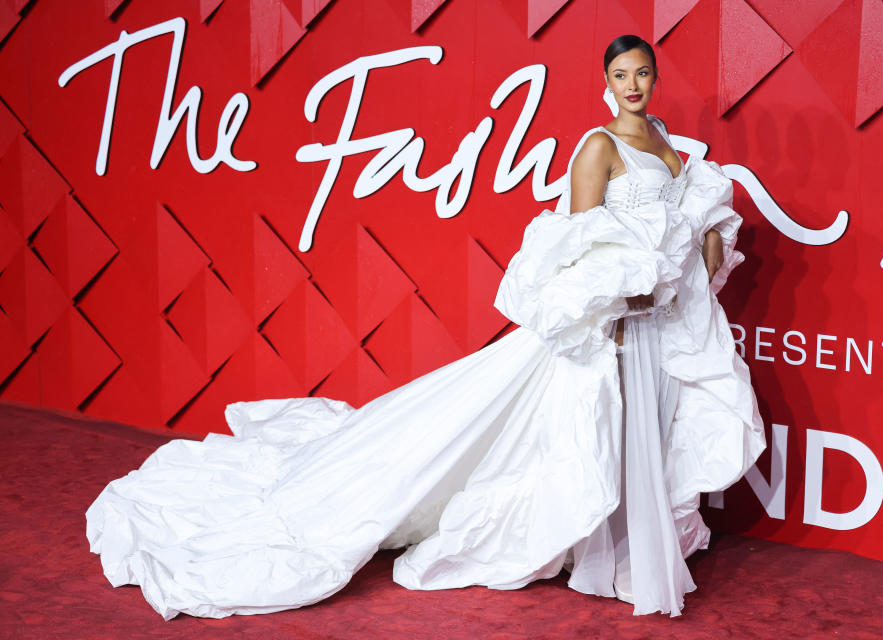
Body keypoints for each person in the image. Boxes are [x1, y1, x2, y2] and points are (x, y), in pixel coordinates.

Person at [85, 35, 765, 620]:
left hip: (659, 328)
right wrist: (611, 304)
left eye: (643, 73)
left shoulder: (668, 141)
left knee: (633, 431)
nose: (634, 86)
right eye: (622, 76)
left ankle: (620, 549)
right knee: (562, 431)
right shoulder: (598, 147)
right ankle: (603, 553)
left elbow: (690, 219)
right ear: (605, 84)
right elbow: (573, 246)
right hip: (607, 327)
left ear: (655, 77)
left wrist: (701, 247)